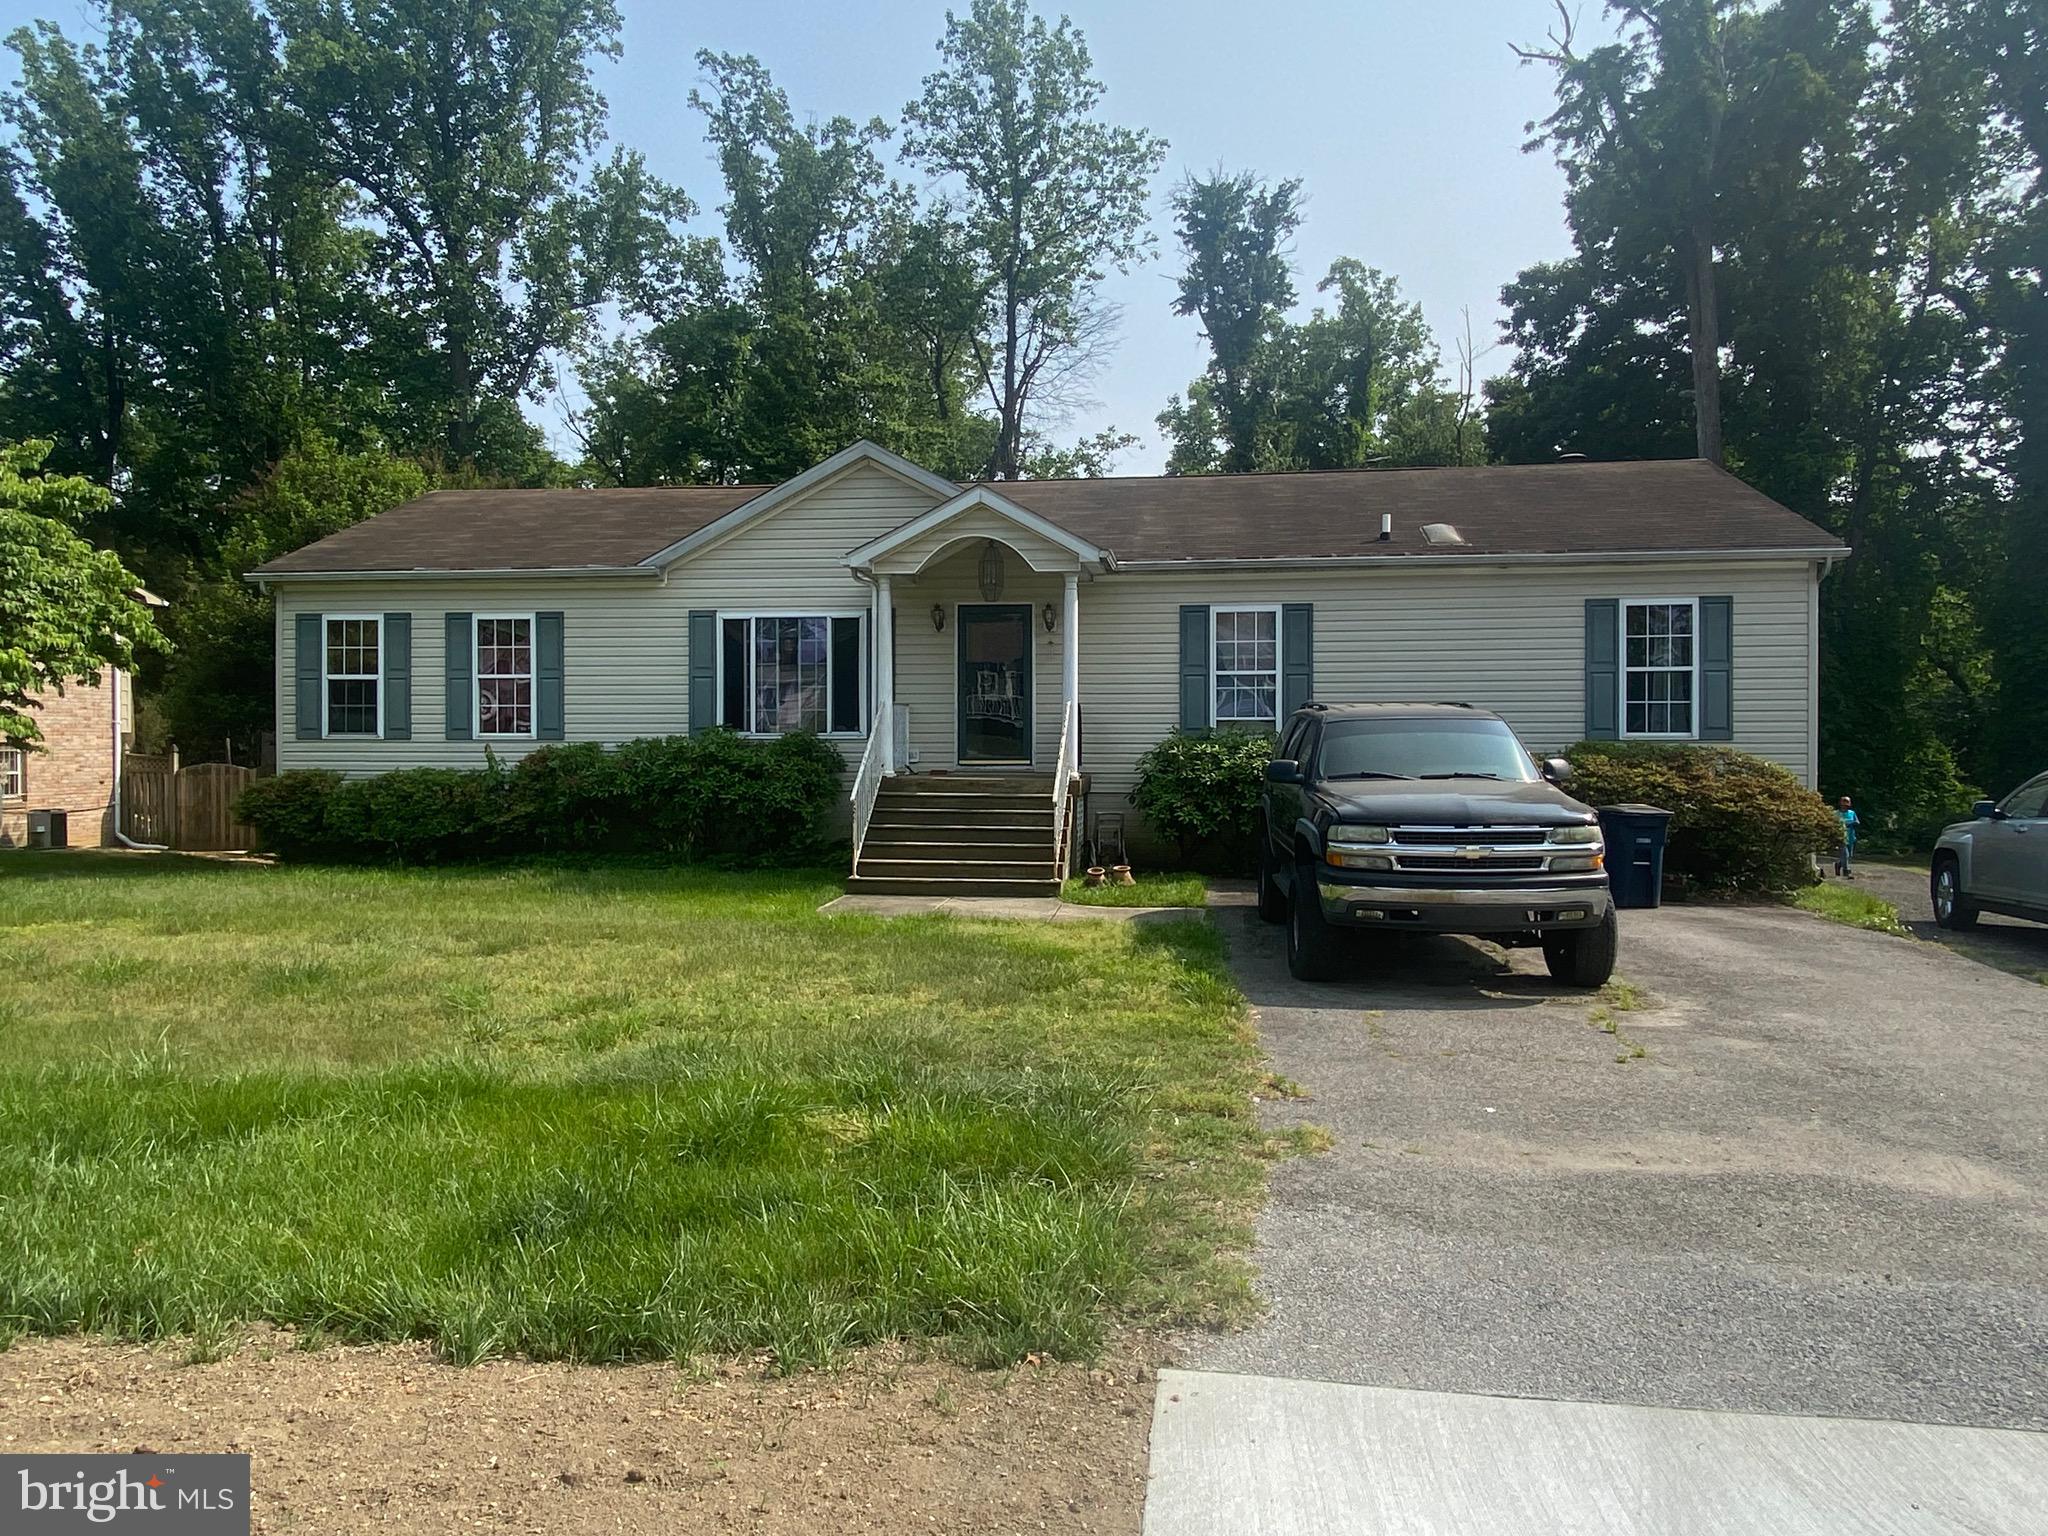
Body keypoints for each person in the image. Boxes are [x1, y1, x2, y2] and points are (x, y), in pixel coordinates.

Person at [1835, 796, 1860, 877]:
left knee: (1849, 855)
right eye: (1843, 802)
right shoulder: (1835, 813)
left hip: (1851, 836)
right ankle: (1846, 871)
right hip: (1841, 836)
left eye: (1847, 803)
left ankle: (1838, 864)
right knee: (1845, 854)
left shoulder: (1852, 813)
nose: (1845, 805)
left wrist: (1850, 823)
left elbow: (1857, 822)